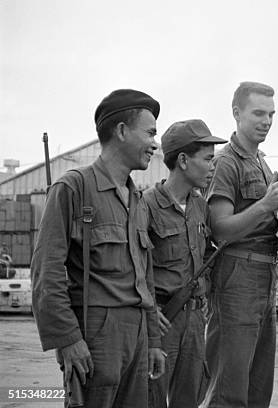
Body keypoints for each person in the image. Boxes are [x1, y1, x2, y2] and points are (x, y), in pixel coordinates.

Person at [31, 89, 165, 408]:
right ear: (121, 131)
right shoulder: (74, 188)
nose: (155, 143)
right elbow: (45, 273)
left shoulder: (137, 200)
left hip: (136, 334)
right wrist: (68, 339)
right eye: (149, 133)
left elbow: (143, 281)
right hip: (97, 333)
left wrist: (153, 341)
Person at [203, 81, 278, 407]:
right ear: (236, 113)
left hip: (265, 275)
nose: (267, 121)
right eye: (259, 113)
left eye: (272, 114)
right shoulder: (226, 163)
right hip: (237, 276)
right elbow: (219, 230)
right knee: (229, 388)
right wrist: (266, 203)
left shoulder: (260, 160)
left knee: (260, 386)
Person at [144, 119, 227, 408]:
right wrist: (149, 310)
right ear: (182, 160)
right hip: (162, 321)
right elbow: (134, 267)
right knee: (152, 398)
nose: (212, 166)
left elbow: (205, 254)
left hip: (194, 320)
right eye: (207, 159)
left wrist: (203, 290)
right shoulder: (146, 206)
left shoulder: (200, 206)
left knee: (189, 400)